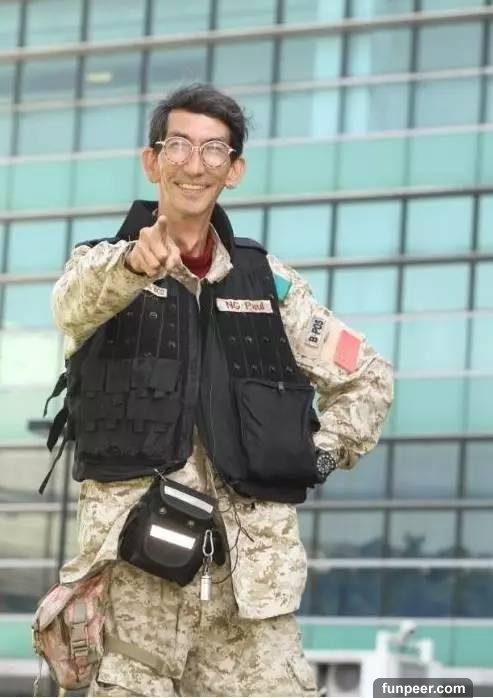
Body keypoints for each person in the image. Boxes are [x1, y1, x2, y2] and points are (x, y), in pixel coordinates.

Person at [48, 83, 393, 697]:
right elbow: (71, 306)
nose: (195, 164)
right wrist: (133, 265)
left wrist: (319, 453)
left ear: (234, 170)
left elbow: (367, 376)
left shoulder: (270, 286)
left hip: (250, 600)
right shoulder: (100, 267)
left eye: (214, 150)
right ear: (152, 161)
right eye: (178, 145)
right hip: (136, 588)